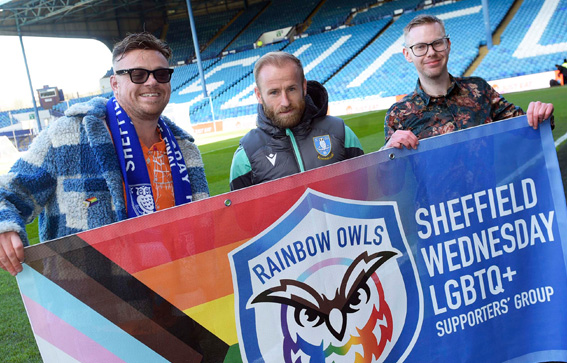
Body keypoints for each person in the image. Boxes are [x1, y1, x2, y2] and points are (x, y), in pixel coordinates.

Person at [0, 32, 209, 276]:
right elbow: (7, 193)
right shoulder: (68, 135)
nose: (152, 82)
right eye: (138, 74)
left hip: (178, 296)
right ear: (115, 84)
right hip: (94, 304)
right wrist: (4, 227)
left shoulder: (186, 150)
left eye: (161, 74)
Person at [384, 14, 554, 149]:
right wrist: (386, 154)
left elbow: (527, 128)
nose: (431, 53)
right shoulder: (398, 114)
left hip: (492, 192)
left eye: (437, 43)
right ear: (407, 54)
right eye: (420, 47)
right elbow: (392, 185)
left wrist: (541, 114)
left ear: (448, 45)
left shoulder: (479, 89)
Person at [229, 51, 364, 190]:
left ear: (304, 87)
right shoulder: (246, 156)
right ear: (259, 95)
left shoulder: (340, 133)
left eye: (291, 89)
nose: (285, 102)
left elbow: (369, 192)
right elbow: (242, 211)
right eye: (274, 92)